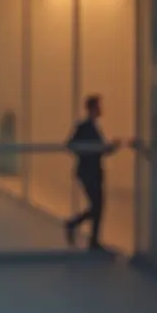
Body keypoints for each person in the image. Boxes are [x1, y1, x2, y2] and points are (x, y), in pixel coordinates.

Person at [64, 94, 120, 250]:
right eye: (99, 106)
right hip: (88, 172)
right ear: (92, 108)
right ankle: (74, 225)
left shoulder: (94, 127)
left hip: (94, 171)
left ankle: (93, 240)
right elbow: (70, 145)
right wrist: (87, 153)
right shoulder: (84, 127)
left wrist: (111, 148)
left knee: (98, 206)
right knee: (97, 206)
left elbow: (100, 150)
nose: (101, 109)